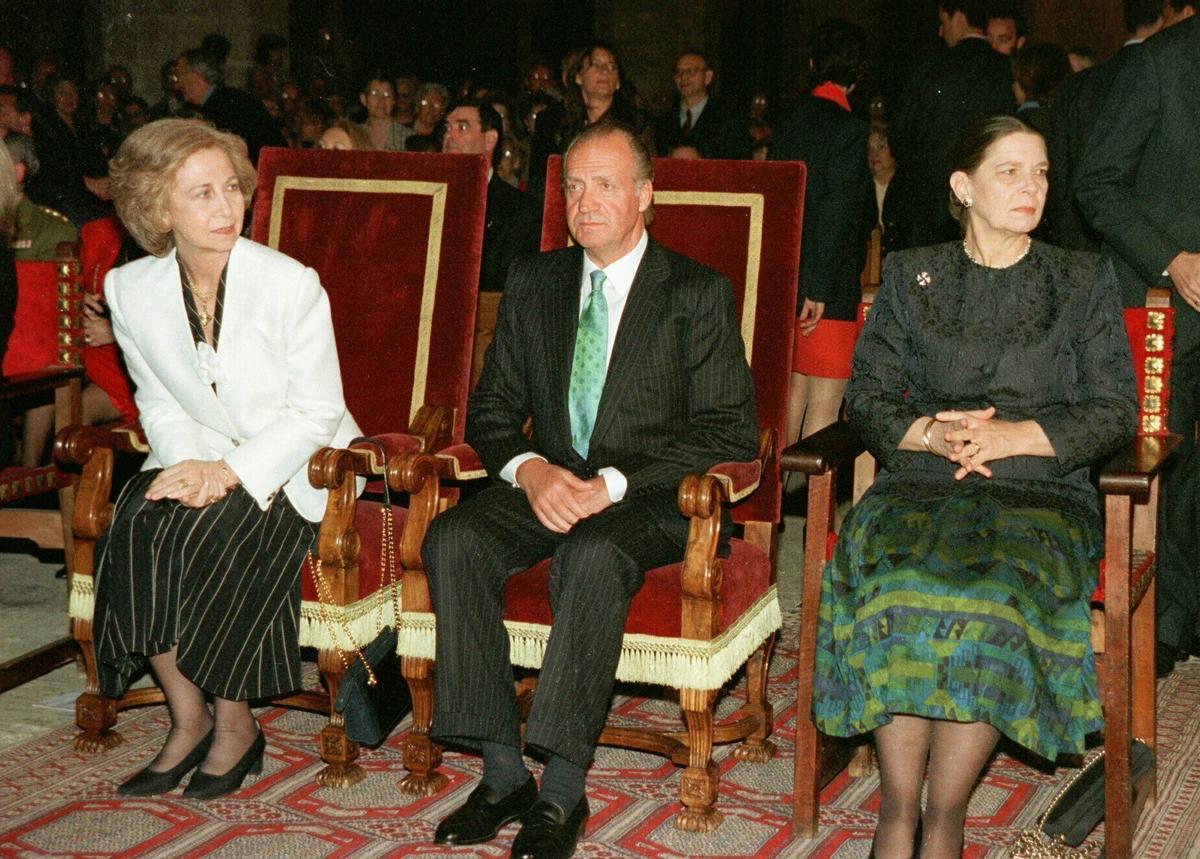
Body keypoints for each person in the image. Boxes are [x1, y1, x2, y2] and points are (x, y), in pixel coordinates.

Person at [421, 120, 757, 858]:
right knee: (455, 537)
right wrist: (530, 470)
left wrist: (612, 484)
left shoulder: (694, 291)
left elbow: (729, 429)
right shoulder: (535, 280)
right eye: (573, 186)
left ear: (645, 195)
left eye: (605, 184)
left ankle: (562, 790)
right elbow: (491, 411)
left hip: (651, 497)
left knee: (593, 554)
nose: (585, 201)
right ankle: (503, 774)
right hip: (551, 483)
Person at [815, 115, 1137, 858]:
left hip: (1037, 491)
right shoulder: (912, 274)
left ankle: (945, 818)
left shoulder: (1080, 279)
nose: (1032, 187)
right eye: (1010, 171)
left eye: (1041, 172)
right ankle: (898, 811)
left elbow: (1114, 407)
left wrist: (1011, 436)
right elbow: (866, 393)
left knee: (993, 596)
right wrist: (930, 432)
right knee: (893, 585)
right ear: (963, 187)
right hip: (921, 482)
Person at [91, 119, 360, 800]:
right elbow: (157, 399)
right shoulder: (130, 290)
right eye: (202, 193)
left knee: (220, 530)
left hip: (295, 468)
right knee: (138, 523)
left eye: (232, 188)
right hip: (202, 458)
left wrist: (230, 475)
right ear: (159, 210)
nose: (226, 206)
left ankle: (237, 723)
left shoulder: (289, 284)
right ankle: (189, 718)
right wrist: (190, 469)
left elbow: (316, 411)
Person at [1074, 14, 1200, 677]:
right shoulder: (1159, 63)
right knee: (1163, 467)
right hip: (1164, 303)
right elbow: (1095, 182)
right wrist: (1172, 258)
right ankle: (1161, 624)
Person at [769, 19, 875, 448]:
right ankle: (814, 495)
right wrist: (818, 287)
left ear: (814, 65)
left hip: (787, 279)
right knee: (826, 405)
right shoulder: (849, 128)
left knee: (792, 393)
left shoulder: (788, 121)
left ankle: (774, 491)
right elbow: (839, 213)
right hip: (825, 287)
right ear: (857, 76)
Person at [887, 0, 1014, 251]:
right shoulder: (1006, 70)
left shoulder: (929, 68)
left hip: (930, 213)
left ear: (958, 17)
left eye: (943, 22)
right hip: (990, 211)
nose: (940, 31)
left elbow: (900, 136)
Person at [442, 98, 541, 293]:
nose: (449, 137)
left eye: (462, 128)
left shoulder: (520, 209)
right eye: (447, 128)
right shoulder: (430, 199)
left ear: (490, 139)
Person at [178, 48, 286, 164]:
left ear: (195, 76)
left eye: (180, 75)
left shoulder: (230, 105)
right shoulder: (226, 100)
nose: (178, 83)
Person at [653, 50, 746, 159]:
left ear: (708, 77)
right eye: (679, 72)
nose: (683, 78)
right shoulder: (664, 120)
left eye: (691, 71)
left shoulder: (728, 119)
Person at [358, 74, 410, 151]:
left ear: (394, 101)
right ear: (363, 99)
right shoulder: (354, 134)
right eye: (375, 94)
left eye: (387, 95)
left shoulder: (407, 136)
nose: (381, 101)